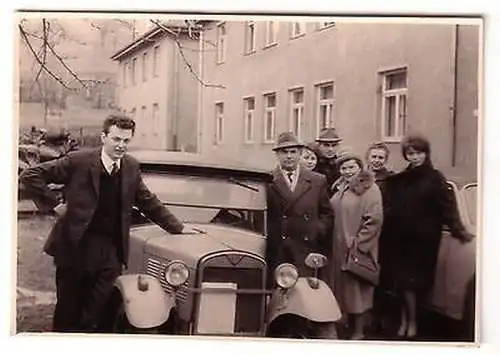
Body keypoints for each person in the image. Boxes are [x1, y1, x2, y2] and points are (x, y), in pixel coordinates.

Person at [19, 114, 195, 333]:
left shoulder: (130, 167)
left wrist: (178, 228)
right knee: (68, 311)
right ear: (104, 137)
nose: (121, 146)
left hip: (110, 251)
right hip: (74, 248)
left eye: (126, 141)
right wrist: (54, 205)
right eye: (116, 139)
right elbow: (30, 174)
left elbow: (148, 201)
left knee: (99, 312)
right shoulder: (78, 161)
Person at [382, 133, 473, 338]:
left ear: (426, 154)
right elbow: (391, 206)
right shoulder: (401, 179)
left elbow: (448, 208)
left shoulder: (435, 178)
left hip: (424, 240)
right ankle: (405, 321)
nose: (415, 157)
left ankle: (412, 323)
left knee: (413, 284)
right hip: (400, 238)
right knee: (401, 283)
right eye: (411, 154)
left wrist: (459, 230)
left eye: (419, 153)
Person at [266, 131, 337, 338]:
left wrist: (317, 229)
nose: (289, 156)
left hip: (305, 249)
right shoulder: (268, 180)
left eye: (293, 152)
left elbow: (327, 213)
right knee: (279, 299)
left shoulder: (317, 180)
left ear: (300, 154)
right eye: (284, 152)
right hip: (278, 248)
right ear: (277, 155)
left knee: (307, 299)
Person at [330, 150, 383, 340]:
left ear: (360, 168)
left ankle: (359, 331)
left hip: (357, 248)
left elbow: (374, 219)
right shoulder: (340, 187)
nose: (347, 171)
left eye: (351, 167)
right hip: (339, 247)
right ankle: (347, 327)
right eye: (343, 168)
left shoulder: (370, 188)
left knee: (357, 291)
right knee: (344, 290)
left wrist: (359, 244)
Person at [313, 127, 343, 197]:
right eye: (326, 145)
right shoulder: (313, 163)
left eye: (334, 145)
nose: (330, 149)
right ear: (319, 145)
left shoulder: (340, 164)